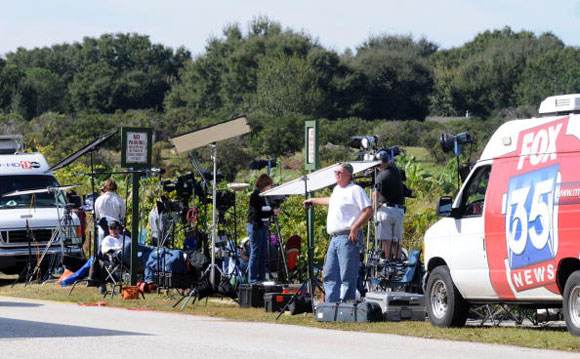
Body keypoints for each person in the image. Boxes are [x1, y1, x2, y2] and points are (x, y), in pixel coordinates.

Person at [304, 163, 373, 303]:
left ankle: (346, 307)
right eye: (336, 172)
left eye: (340, 172)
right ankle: (331, 305)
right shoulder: (337, 190)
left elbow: (368, 210)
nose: (336, 174)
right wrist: (313, 201)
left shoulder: (355, 190)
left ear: (349, 174)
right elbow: (331, 200)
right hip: (334, 238)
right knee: (329, 273)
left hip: (347, 236)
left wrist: (355, 227)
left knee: (347, 274)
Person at [373, 150, 405, 260]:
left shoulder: (381, 176)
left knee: (386, 241)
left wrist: (373, 209)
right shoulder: (395, 171)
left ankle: (387, 263)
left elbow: (375, 195)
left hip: (386, 211)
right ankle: (398, 264)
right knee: (396, 241)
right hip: (399, 210)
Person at [247, 174, 275, 283]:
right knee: (255, 252)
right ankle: (252, 280)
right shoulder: (255, 195)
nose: (270, 187)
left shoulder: (262, 196)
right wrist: (272, 211)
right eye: (269, 185)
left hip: (261, 226)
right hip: (255, 226)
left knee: (263, 253)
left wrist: (271, 210)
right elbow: (260, 210)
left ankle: (261, 278)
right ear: (264, 184)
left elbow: (264, 210)